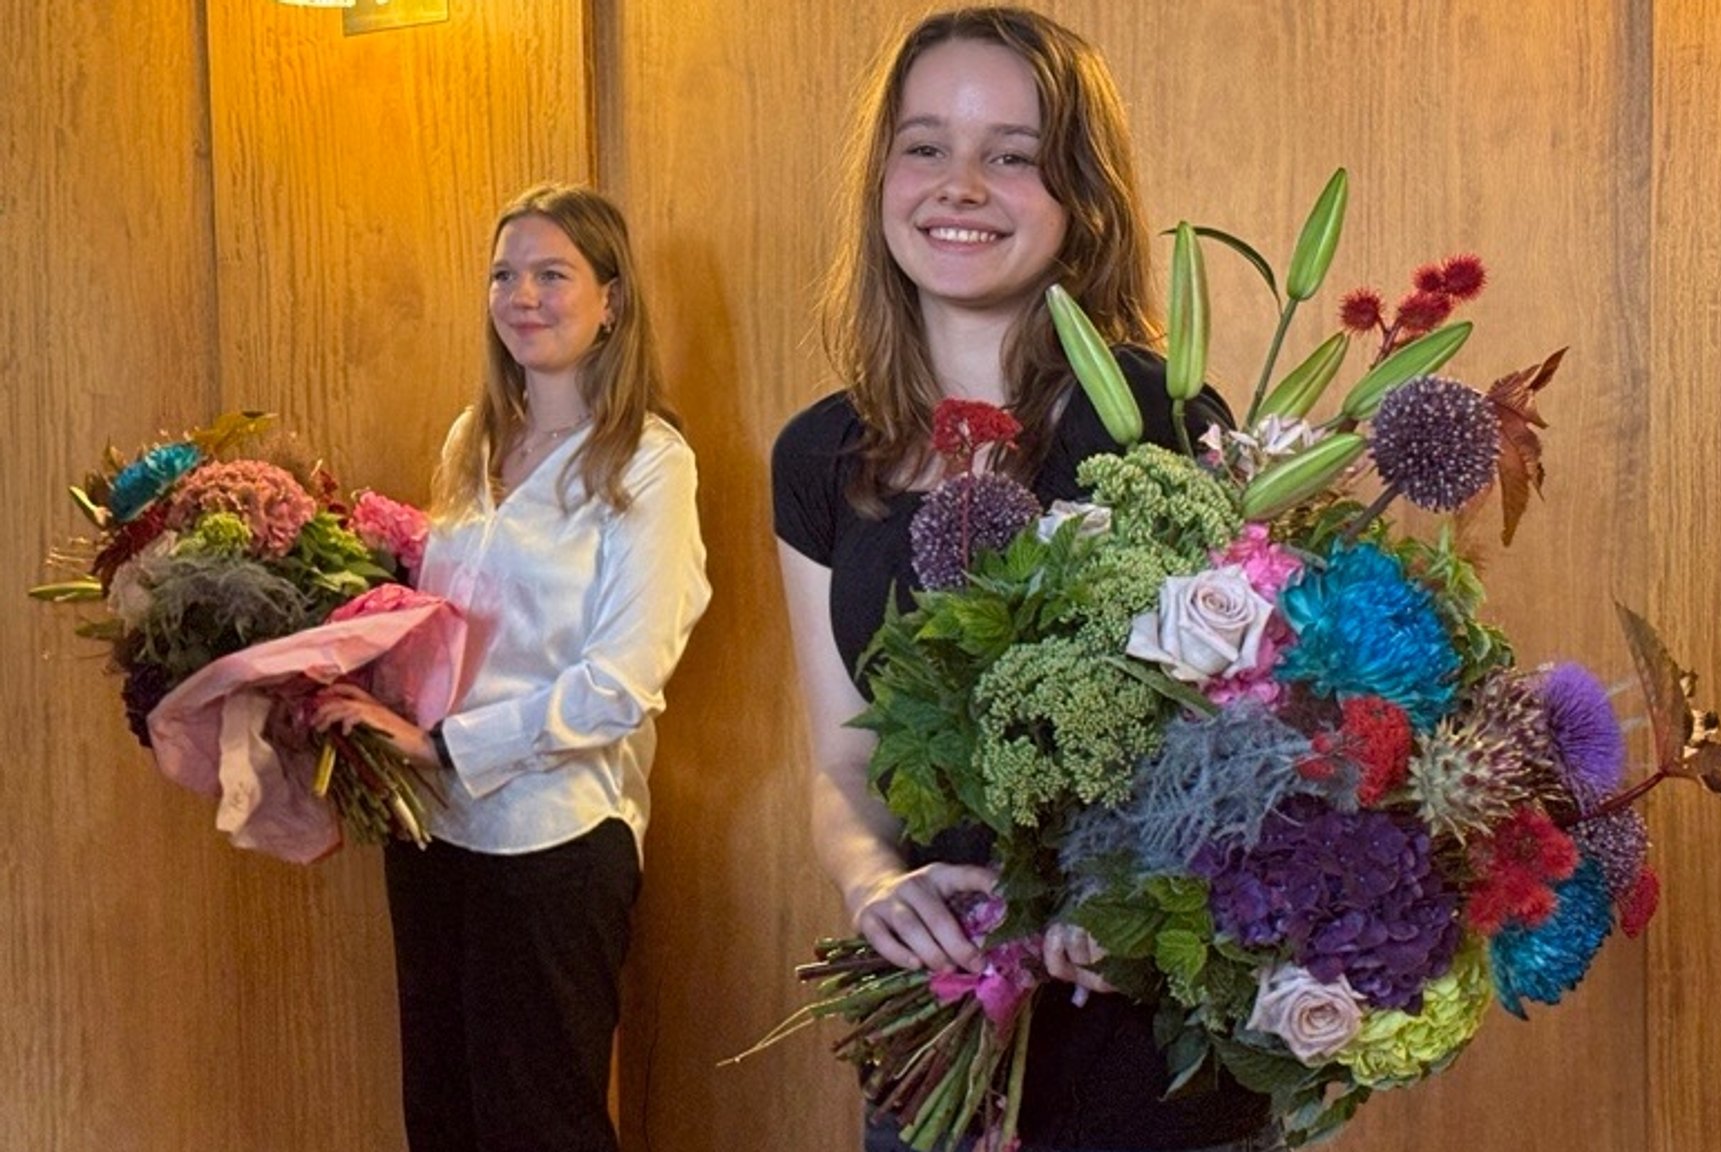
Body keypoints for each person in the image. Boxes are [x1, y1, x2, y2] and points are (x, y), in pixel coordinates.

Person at [771, 10, 1275, 1151]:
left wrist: (1128, 902)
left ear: (1077, 197)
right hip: (936, 1033)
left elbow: (1243, 744)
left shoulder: (1160, 423)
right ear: (881, 178)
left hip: (1136, 1049)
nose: (961, 184)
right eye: (923, 146)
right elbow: (842, 761)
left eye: (1010, 152)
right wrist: (871, 888)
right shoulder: (815, 460)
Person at [313, 182, 711, 1152]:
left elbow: (620, 681)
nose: (521, 295)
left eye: (550, 273)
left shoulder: (648, 464)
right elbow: (443, 625)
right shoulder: (470, 440)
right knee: (441, 1120)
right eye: (503, 274)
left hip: (553, 844)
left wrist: (446, 743)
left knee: (542, 1127)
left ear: (611, 300)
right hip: (427, 831)